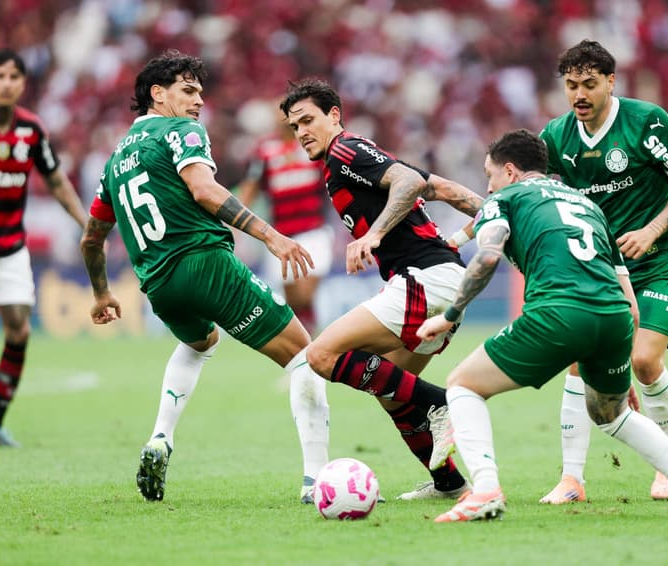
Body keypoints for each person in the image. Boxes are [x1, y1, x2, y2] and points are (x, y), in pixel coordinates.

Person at [417, 129, 668, 522]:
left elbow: (488, 256)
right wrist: (616, 362)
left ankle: (484, 490)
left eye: (490, 174)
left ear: (510, 171)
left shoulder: (505, 199)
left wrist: (450, 314)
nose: (489, 184)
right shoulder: (586, 204)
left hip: (559, 311)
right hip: (614, 318)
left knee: (462, 383)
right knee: (612, 414)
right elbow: (628, 296)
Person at [80, 50, 331, 503]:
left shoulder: (114, 161)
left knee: (200, 343)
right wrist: (271, 237)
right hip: (203, 263)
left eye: (200, 92)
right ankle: (318, 482)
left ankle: (160, 436)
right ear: (158, 94)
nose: (199, 101)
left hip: (158, 284)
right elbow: (204, 188)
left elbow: (91, 239)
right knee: (308, 358)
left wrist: (101, 294)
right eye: (188, 90)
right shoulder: (181, 131)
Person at [280, 78, 483, 500]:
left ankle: (441, 402)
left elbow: (408, 182)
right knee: (393, 392)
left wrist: (372, 235)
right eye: (293, 126)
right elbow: (440, 188)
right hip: (443, 285)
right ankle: (451, 484)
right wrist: (496, 214)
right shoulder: (355, 159)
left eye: (307, 120)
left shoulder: (344, 151)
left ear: (334, 115)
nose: (301, 132)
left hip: (425, 279)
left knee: (321, 355)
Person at [538, 39, 668, 503]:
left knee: (645, 361)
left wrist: (651, 230)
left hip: (663, 259)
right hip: (604, 270)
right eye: (571, 85)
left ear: (611, 82)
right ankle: (572, 479)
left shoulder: (646, 120)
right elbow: (529, 187)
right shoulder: (557, 136)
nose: (579, 95)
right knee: (577, 359)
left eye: (589, 84)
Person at [0, 48, 88, 447]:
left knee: (19, 330)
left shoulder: (31, 130)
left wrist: (87, 224)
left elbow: (57, 181)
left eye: (14, 77)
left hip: (11, 248)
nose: (7, 83)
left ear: (23, 84)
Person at [236, 101, 333, 333]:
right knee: (294, 300)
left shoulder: (313, 146)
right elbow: (250, 187)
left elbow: (331, 182)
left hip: (314, 230)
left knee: (305, 291)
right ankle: (306, 351)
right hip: (282, 235)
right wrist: (235, 222)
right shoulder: (265, 151)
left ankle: (312, 347)